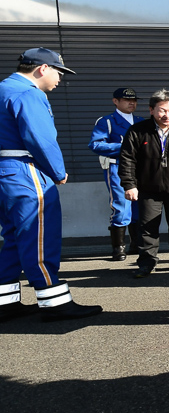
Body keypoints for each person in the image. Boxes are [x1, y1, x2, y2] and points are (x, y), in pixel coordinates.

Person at [0, 47, 102, 322]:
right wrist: (57, 171)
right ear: (42, 68)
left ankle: (4, 303)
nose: (60, 79)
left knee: (13, 237)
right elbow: (40, 138)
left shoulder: (3, 89)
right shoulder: (29, 93)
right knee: (39, 235)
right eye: (59, 72)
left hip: (4, 173)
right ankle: (54, 302)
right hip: (23, 170)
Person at [119, 89, 169, 278]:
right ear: (151, 110)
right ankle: (146, 263)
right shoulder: (138, 131)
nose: (167, 115)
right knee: (147, 227)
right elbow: (127, 159)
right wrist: (129, 185)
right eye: (162, 110)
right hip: (147, 189)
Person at [89, 87, 143, 261]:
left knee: (139, 206)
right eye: (127, 100)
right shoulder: (107, 121)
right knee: (121, 205)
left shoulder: (141, 121)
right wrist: (126, 147)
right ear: (115, 101)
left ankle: (136, 243)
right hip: (117, 167)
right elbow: (96, 145)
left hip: (140, 168)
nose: (131, 103)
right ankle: (118, 248)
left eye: (134, 100)